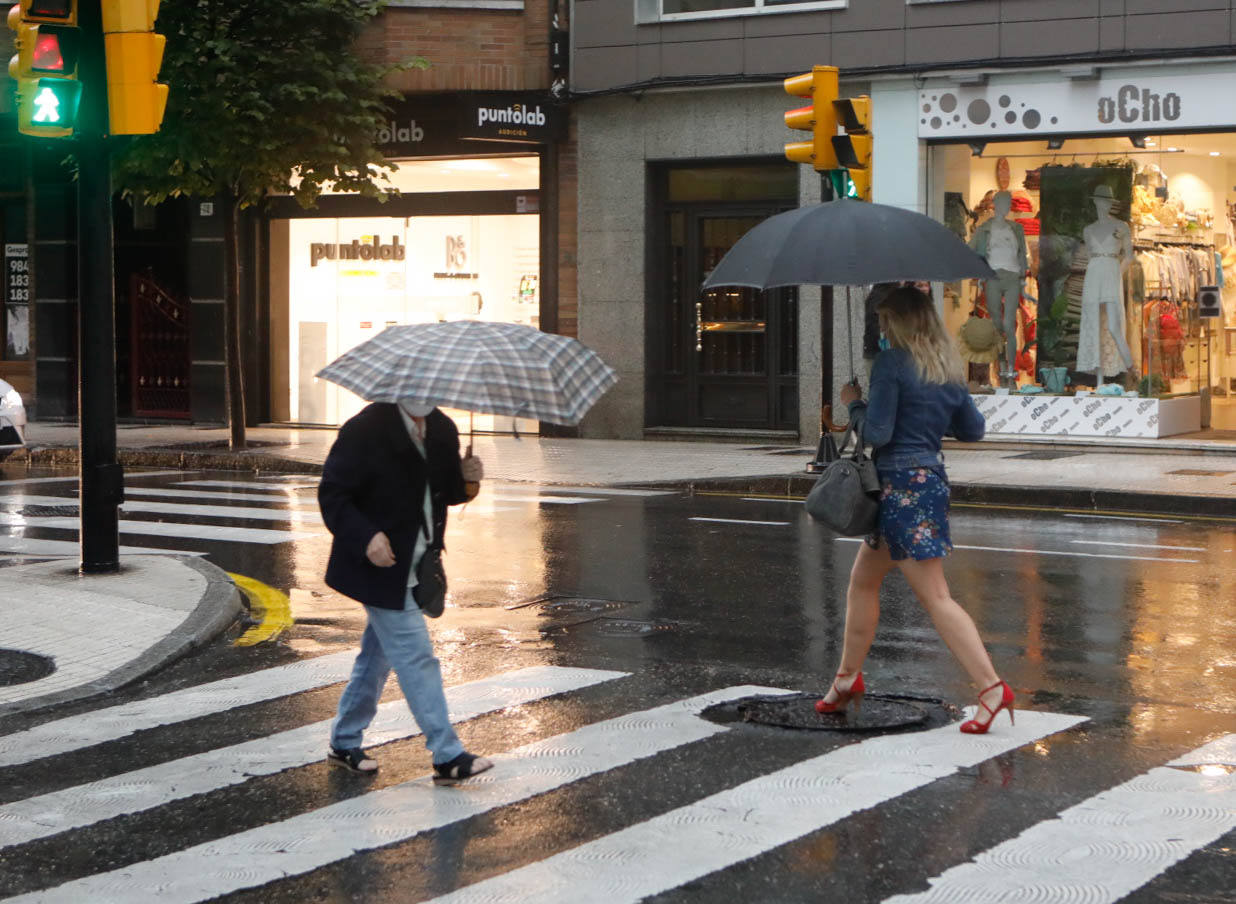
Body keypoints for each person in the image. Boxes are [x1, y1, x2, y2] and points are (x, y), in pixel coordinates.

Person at [817, 286, 1014, 734]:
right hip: (928, 483)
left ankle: (990, 688)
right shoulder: (946, 368)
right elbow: (974, 431)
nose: (883, 330)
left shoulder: (892, 364)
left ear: (901, 323)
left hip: (900, 489)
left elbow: (879, 434)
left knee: (936, 597)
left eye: (887, 321)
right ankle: (846, 680)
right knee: (862, 582)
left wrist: (854, 403)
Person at [318, 399, 493, 782]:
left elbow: (445, 493)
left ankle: (345, 740)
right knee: (417, 657)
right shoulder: (365, 428)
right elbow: (333, 494)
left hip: (417, 561)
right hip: (378, 566)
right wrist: (367, 537)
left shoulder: (442, 427)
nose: (423, 393)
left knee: (376, 658)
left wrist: (469, 481)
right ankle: (447, 754)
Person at [1076, 184, 1135, 387]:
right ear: (1095, 201)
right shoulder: (1088, 229)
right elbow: (1089, 255)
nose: (1104, 204)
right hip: (1094, 274)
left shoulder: (1121, 226)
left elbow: (1129, 256)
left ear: (1111, 203)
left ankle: (1131, 369)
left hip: (1111, 272)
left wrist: (1117, 274)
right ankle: (1099, 380)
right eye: (1100, 200)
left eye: (1107, 200)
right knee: (1093, 324)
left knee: (1113, 326)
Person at [969, 190, 1029, 385]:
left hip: (1012, 277)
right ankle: (1001, 365)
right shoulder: (985, 229)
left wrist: (1023, 279)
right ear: (996, 204)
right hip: (992, 277)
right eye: (1002, 202)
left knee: (1009, 325)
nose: (1006, 207)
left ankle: (1010, 370)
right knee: (996, 326)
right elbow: (972, 250)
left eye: (1008, 203)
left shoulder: (1016, 229)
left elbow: (1022, 254)